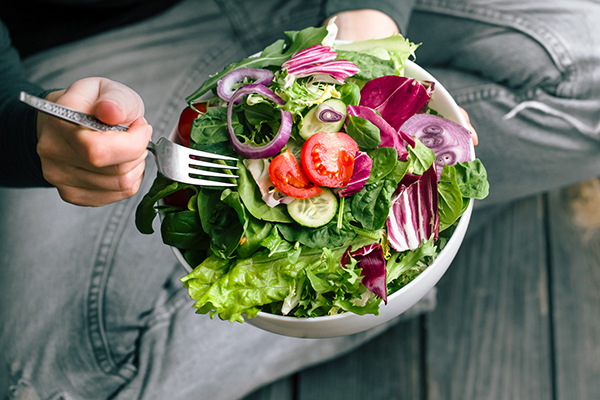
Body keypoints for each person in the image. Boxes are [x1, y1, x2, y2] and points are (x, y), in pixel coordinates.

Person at [1, 0, 599, 399]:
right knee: (52, 383)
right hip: (100, 51)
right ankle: (394, 276)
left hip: (309, 4)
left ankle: (371, 283)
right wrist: (27, 133)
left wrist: (373, 10)